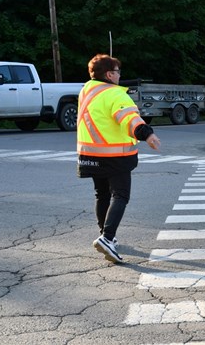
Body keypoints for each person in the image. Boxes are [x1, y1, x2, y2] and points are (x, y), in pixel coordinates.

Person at [77, 54, 161, 263]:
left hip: (90, 153)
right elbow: (130, 119)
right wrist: (147, 133)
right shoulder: (116, 94)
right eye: (117, 71)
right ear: (109, 74)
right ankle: (106, 237)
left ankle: (107, 236)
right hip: (114, 155)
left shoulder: (86, 91)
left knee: (101, 194)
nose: (119, 75)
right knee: (120, 195)